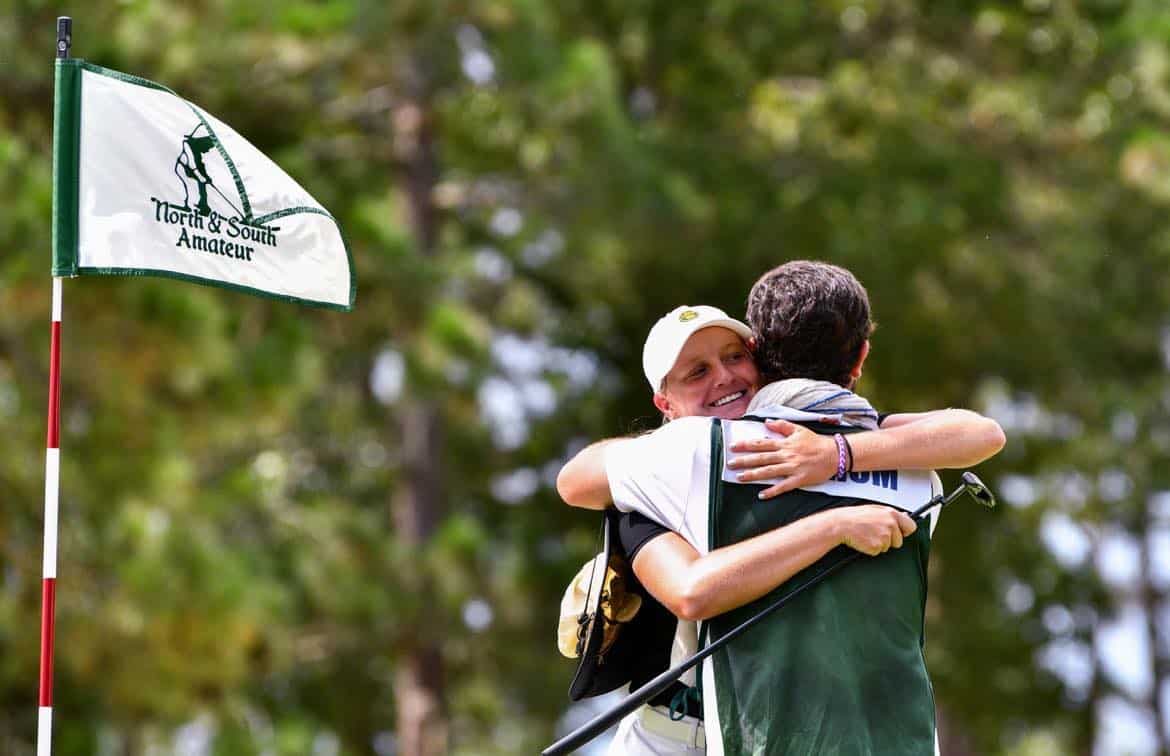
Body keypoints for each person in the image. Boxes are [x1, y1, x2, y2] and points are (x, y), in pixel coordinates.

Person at [557, 293, 1004, 754]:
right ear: (664, 403)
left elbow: (979, 434)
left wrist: (836, 454)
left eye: (734, 357)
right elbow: (687, 587)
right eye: (698, 372)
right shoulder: (658, 482)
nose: (724, 376)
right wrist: (834, 526)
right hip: (668, 736)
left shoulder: (805, 436)